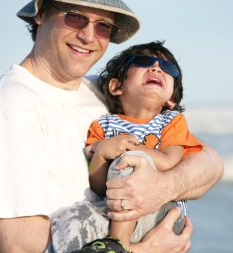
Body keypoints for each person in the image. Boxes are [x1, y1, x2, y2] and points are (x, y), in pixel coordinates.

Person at [0, 0, 224, 253]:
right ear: (40, 13)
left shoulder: (102, 90)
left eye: (103, 26)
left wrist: (161, 188)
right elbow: (19, 247)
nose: (88, 36)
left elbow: (211, 163)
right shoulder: (9, 108)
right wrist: (143, 250)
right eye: (75, 16)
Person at [84, 41, 204, 252]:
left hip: (161, 216)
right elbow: (98, 187)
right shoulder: (103, 125)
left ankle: (116, 244)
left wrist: (130, 150)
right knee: (70, 218)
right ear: (116, 86)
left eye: (168, 69)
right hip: (115, 212)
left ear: (171, 99)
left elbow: (169, 159)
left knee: (134, 163)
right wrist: (102, 153)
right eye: (144, 61)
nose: (157, 68)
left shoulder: (170, 121)